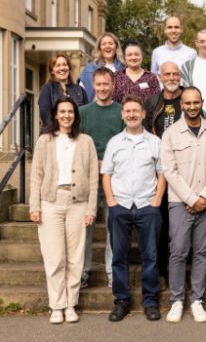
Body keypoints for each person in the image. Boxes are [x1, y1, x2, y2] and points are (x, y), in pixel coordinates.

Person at [29, 97, 98, 324]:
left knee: (75, 258)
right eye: (63, 112)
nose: (67, 115)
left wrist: (91, 209)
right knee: (55, 257)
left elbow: (93, 178)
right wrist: (35, 206)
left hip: (78, 203)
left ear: (75, 115)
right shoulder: (44, 141)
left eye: (70, 112)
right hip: (51, 201)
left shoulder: (86, 141)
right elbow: (36, 175)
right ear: (56, 115)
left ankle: (71, 304)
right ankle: (56, 305)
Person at [161, 87, 206, 323]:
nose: (191, 106)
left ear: (202, 102)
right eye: (187, 103)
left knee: (201, 252)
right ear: (181, 105)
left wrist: (203, 198)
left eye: (196, 102)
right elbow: (169, 170)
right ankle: (177, 300)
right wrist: (191, 199)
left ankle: (196, 299)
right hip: (180, 203)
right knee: (178, 251)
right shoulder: (170, 134)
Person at [102, 95, 166, 323]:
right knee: (119, 256)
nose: (131, 114)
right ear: (122, 115)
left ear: (143, 114)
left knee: (150, 256)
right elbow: (106, 173)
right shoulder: (114, 143)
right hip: (120, 206)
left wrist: (157, 200)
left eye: (135, 111)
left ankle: (150, 301)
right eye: (127, 111)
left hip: (147, 205)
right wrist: (111, 201)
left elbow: (162, 173)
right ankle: (121, 300)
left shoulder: (155, 142)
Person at [79, 68, 123, 290]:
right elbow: (77, 146)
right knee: (85, 229)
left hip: (115, 180)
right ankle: (83, 273)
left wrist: (107, 164)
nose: (103, 88)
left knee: (112, 229)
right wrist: (93, 163)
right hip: (89, 179)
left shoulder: (121, 111)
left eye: (106, 84)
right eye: (99, 84)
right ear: (93, 86)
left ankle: (112, 273)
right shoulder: (84, 112)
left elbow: (126, 145)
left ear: (113, 85)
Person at [143, 61, 183, 288]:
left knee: (178, 225)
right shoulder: (151, 102)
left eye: (175, 73)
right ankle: (160, 269)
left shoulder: (188, 98)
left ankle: (176, 270)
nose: (171, 77)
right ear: (160, 76)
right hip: (158, 171)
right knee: (160, 223)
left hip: (183, 170)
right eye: (167, 73)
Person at [38, 53, 89, 126]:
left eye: (65, 65)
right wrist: (59, 131)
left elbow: (86, 115)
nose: (62, 68)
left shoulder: (80, 90)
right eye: (58, 65)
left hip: (76, 134)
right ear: (52, 70)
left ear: (69, 68)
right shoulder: (47, 89)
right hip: (53, 134)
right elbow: (45, 113)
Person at [78, 32, 125, 102]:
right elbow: (81, 95)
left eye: (110, 44)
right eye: (104, 44)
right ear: (99, 48)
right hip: (94, 110)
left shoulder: (124, 69)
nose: (107, 46)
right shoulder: (89, 69)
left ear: (116, 47)